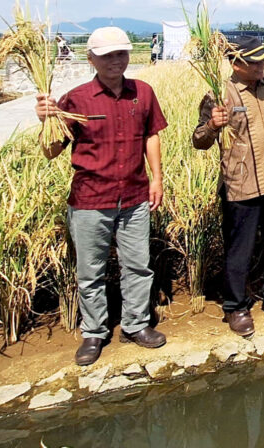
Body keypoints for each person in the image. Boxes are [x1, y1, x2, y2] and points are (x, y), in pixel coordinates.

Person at [36, 26, 167, 366]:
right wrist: (46, 122)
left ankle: (137, 325)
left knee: (138, 265)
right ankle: (94, 332)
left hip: (135, 194)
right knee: (91, 271)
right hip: (91, 199)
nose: (116, 61)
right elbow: (51, 151)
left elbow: (151, 136)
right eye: (107, 56)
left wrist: (157, 179)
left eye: (121, 54)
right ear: (91, 58)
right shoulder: (75, 100)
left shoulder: (143, 93)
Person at [192, 35, 264, 337]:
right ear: (236, 64)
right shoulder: (219, 94)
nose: (262, 64)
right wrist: (213, 125)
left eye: (263, 59)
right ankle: (235, 306)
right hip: (239, 186)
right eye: (254, 61)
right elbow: (199, 141)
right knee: (239, 249)